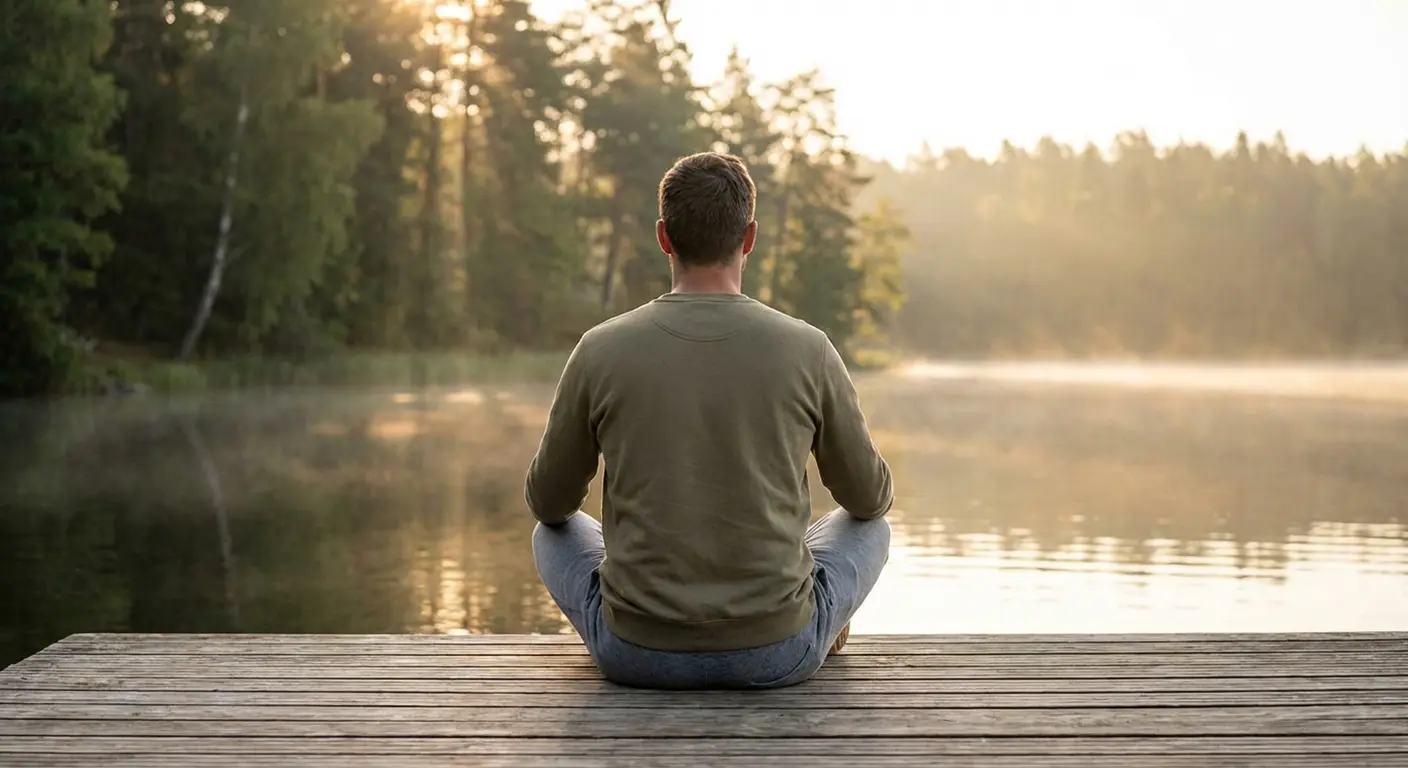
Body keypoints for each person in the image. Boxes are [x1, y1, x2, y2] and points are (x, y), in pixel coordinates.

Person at [524, 151, 893, 690]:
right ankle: (819, 615)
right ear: (748, 237)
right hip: (779, 651)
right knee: (869, 529)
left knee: (551, 533)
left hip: (634, 656)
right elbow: (869, 499)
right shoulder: (808, 349)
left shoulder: (599, 349)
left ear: (664, 237)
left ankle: (638, 614)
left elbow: (549, 503)